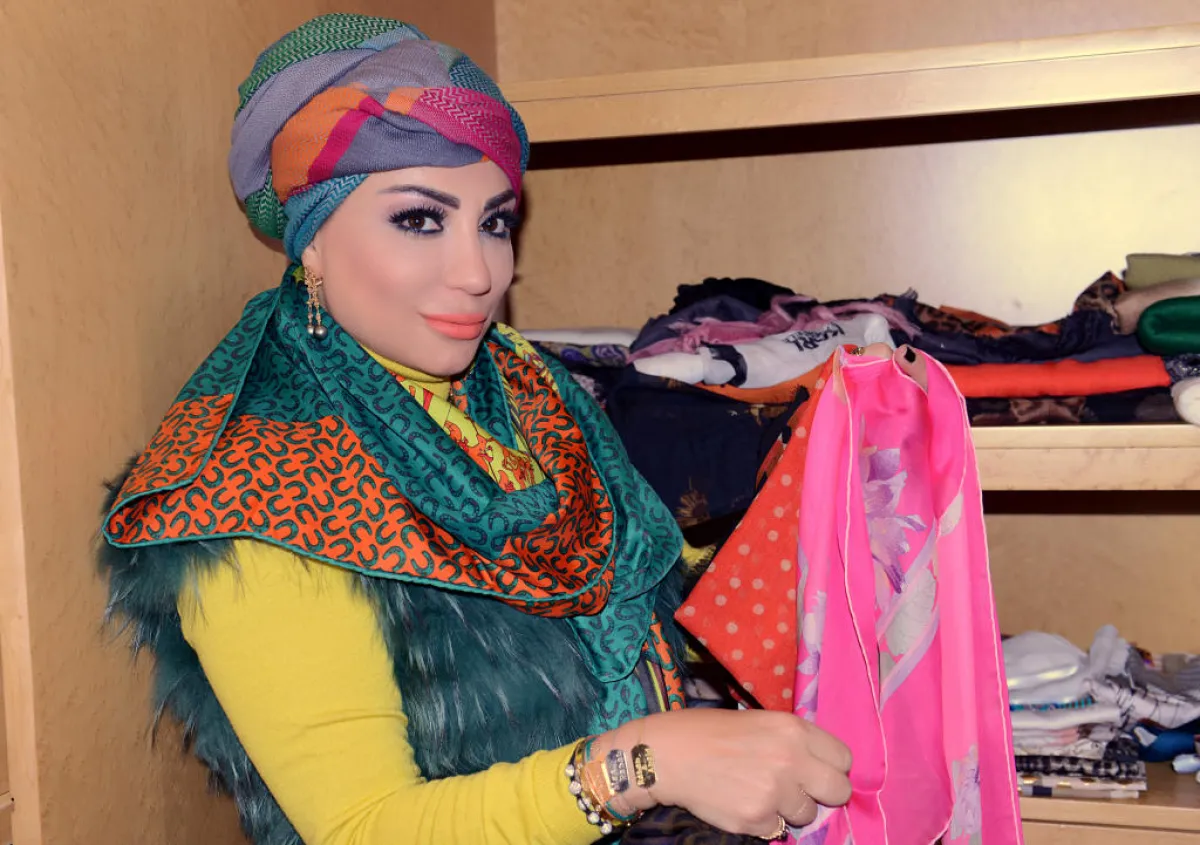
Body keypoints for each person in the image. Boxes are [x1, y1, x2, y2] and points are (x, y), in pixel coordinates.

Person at [97, 14, 886, 845]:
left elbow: (640, 588)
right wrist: (637, 766)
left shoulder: (520, 390)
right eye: (418, 220)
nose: (478, 274)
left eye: (495, 222)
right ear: (313, 243)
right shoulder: (256, 491)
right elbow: (365, 828)